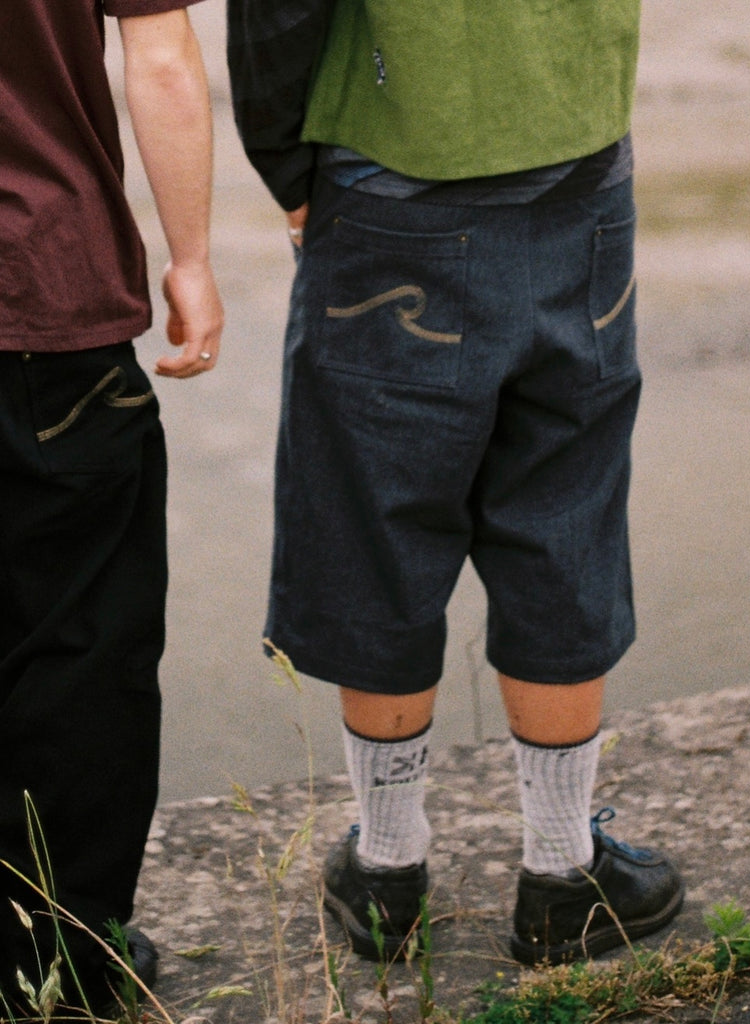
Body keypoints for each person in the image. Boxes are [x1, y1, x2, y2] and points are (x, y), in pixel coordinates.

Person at [228, 0, 683, 966]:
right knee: (566, 508)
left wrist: (283, 165)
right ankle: (563, 876)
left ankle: (389, 870)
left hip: (392, 176)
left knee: (375, 516)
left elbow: (277, 14)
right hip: (579, 154)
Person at [0, 0, 222, 1013]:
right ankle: (57, 958)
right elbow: (163, 53)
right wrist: (191, 257)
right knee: (82, 644)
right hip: (48, 289)